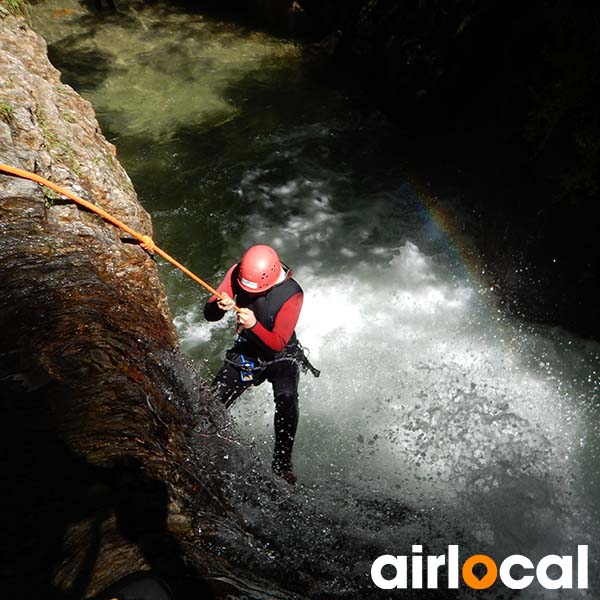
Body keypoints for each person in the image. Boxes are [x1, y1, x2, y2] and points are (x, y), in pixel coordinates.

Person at [204, 245, 304, 485]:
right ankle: (206, 446)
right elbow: (209, 315)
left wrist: (254, 326)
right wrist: (219, 305)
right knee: (208, 405)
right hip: (247, 351)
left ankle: (282, 464)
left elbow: (276, 345)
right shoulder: (238, 273)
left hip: (280, 353)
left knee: (287, 397)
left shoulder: (292, 293)